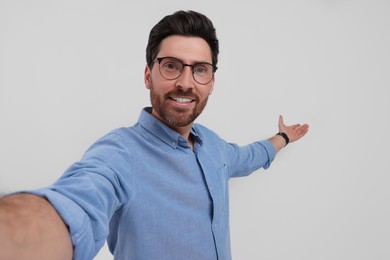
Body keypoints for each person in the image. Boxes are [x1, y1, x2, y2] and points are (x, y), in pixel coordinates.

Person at [0, 10, 309, 260]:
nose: (186, 83)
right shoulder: (118, 154)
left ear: (212, 82)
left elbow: (250, 156)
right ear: (149, 76)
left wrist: (282, 138)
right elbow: (76, 206)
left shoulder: (214, 146)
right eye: (171, 66)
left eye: (200, 69)